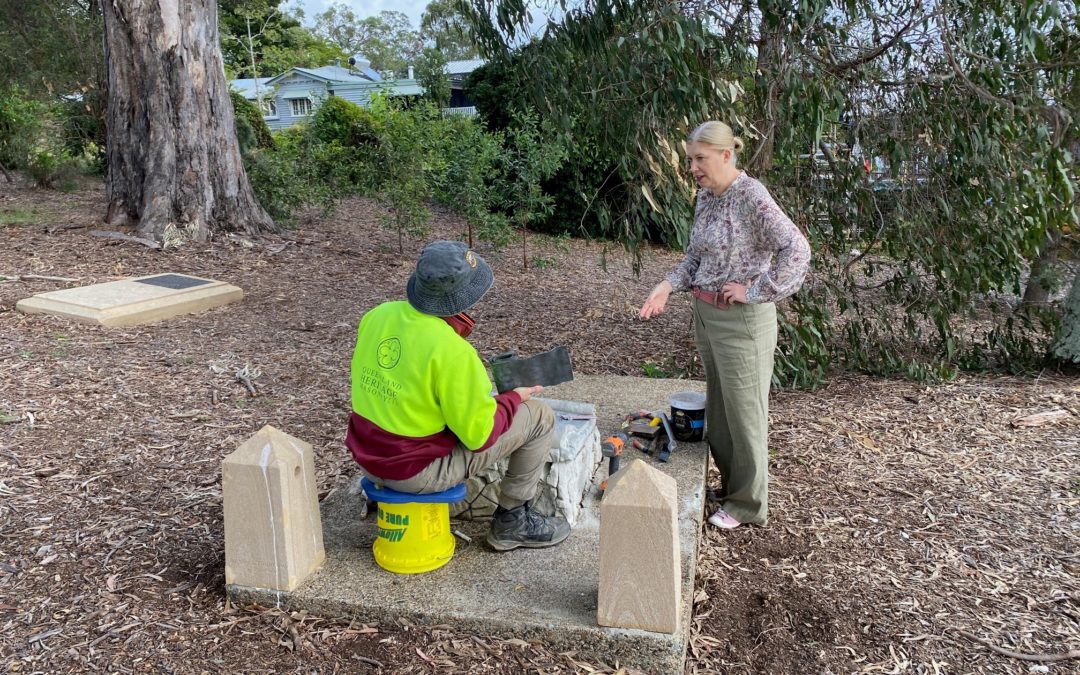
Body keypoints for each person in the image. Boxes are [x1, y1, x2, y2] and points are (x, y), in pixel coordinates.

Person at [345, 240, 571, 551]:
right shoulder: (453, 352)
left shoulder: (377, 316)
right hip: (411, 471)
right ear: (462, 298)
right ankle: (512, 521)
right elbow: (480, 436)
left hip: (367, 459)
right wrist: (515, 398)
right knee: (540, 417)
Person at [639, 121, 810, 529]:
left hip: (742, 323)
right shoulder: (707, 197)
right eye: (691, 159)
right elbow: (696, 261)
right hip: (707, 316)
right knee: (721, 412)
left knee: (745, 414)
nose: (693, 167)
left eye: (700, 159)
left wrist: (756, 291)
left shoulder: (751, 195)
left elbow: (797, 250)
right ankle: (732, 490)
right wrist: (666, 286)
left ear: (726, 155)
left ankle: (749, 505)